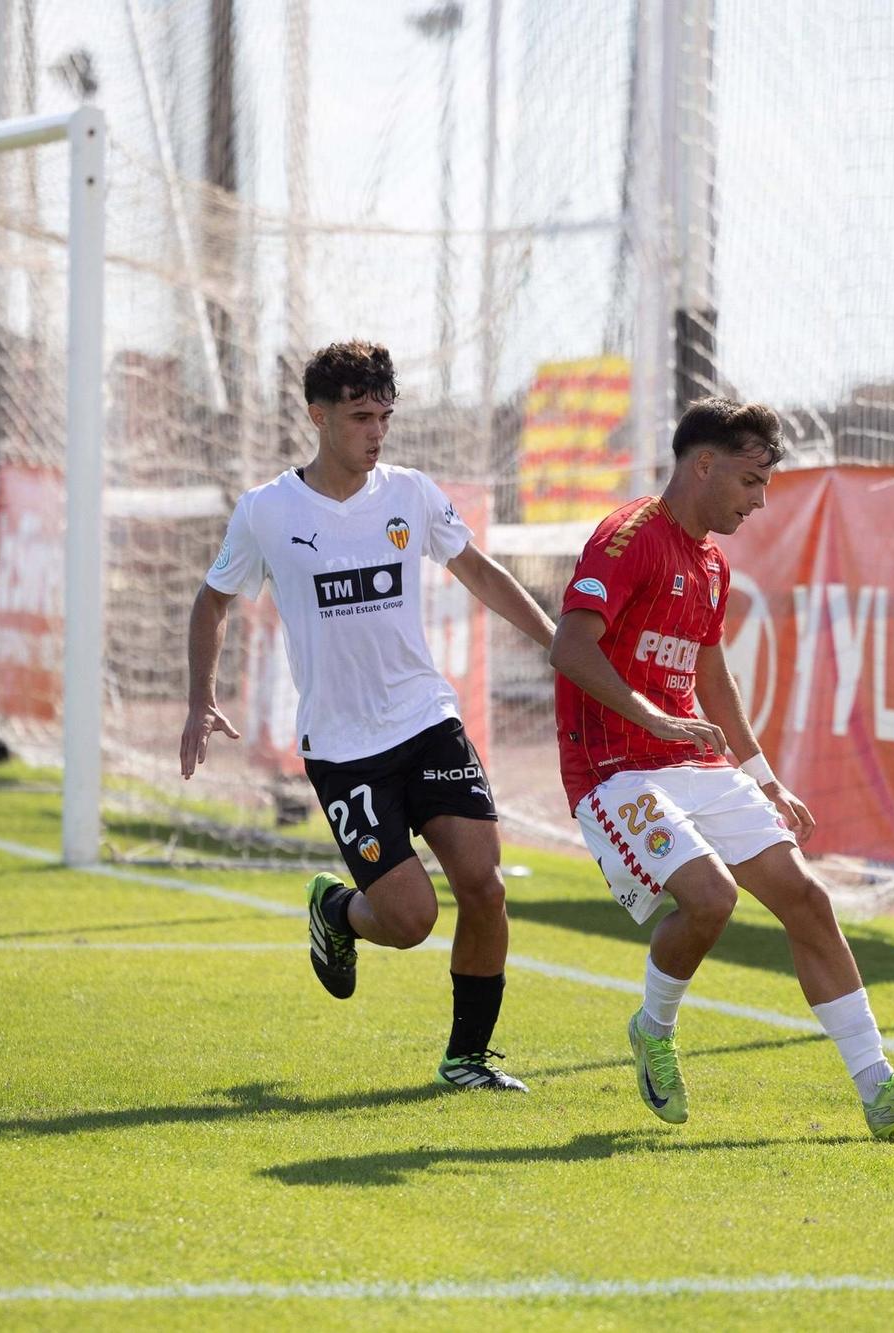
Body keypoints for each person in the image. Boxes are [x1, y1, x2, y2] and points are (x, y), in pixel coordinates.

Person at [546, 395, 894, 1139]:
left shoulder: (712, 563)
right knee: (710, 898)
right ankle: (653, 1028)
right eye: (751, 481)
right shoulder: (627, 538)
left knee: (806, 897)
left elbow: (709, 672)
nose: (759, 500)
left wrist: (764, 775)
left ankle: (878, 1088)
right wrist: (653, 716)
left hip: (693, 760)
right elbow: (569, 647)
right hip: (615, 770)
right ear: (703, 465)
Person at [180, 339, 555, 1091]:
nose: (376, 432)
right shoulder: (267, 511)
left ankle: (467, 1059)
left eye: (384, 416)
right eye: (360, 417)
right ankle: (337, 909)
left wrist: (554, 641)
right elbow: (212, 601)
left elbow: (477, 569)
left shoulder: (410, 493)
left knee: (484, 886)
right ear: (317, 417)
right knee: (411, 921)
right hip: (343, 747)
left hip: (426, 721)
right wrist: (200, 698)